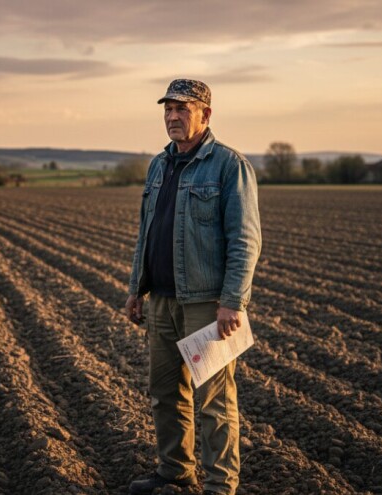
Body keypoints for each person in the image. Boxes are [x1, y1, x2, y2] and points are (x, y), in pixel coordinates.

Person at [125, 79, 261, 495]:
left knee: (214, 400)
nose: (173, 117)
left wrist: (232, 302)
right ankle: (175, 469)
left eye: (183, 109)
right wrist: (136, 289)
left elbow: (245, 239)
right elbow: (146, 233)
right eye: (168, 109)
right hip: (164, 301)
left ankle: (221, 486)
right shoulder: (158, 165)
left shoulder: (227, 165)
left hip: (207, 304)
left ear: (205, 114)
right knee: (164, 391)